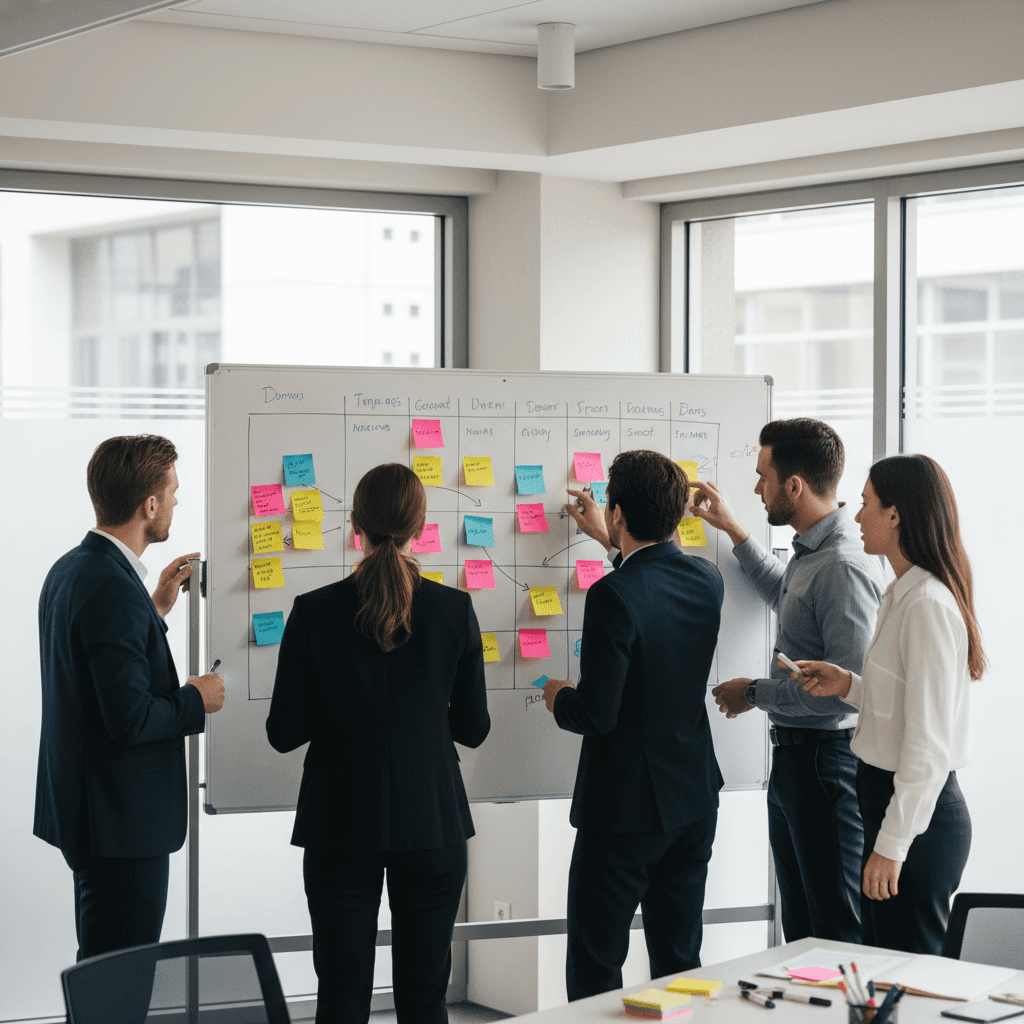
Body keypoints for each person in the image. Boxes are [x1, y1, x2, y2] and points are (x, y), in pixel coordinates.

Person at [266, 462, 490, 1024]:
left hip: (339, 824)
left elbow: (283, 733)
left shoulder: (313, 611)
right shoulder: (454, 609)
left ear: (353, 526)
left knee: (340, 997)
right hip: (432, 823)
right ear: (420, 525)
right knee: (424, 999)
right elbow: (473, 729)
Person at [689, 418, 884, 944]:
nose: (756, 488)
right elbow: (787, 598)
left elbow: (847, 692)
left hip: (826, 762)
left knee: (833, 925)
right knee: (800, 927)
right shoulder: (810, 553)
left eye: (762, 476)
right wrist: (733, 530)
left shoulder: (842, 565)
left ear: (792, 485)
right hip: (798, 762)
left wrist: (754, 693)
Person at [34, 434, 225, 961]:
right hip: (122, 824)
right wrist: (196, 697)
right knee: (118, 981)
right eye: (174, 492)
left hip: (95, 814)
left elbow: (97, 672)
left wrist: (154, 610)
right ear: (149, 504)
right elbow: (130, 718)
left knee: (102, 970)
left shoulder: (74, 569)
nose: (177, 503)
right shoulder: (111, 587)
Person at [542, 450, 724, 1001]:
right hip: (692, 798)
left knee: (598, 966)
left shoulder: (612, 594)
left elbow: (597, 714)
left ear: (616, 512)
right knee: (679, 958)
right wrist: (612, 542)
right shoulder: (707, 579)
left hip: (622, 809)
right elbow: (655, 585)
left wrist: (558, 698)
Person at [792, 454, 980, 954]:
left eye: (865, 504)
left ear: (895, 515)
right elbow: (903, 704)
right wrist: (848, 685)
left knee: (910, 979)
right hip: (889, 802)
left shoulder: (927, 605)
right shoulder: (899, 593)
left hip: (917, 817)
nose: (856, 517)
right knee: (881, 968)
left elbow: (928, 747)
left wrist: (892, 847)